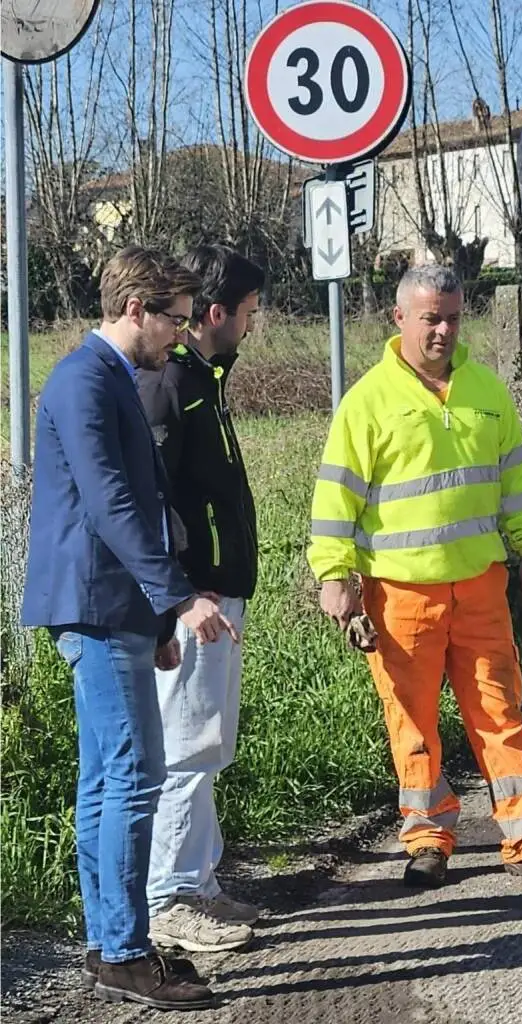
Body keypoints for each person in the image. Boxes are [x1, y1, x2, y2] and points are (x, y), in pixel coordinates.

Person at [307, 264, 522, 888]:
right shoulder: (368, 401)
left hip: (481, 586)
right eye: (431, 317)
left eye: (453, 316)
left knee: (500, 712)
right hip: (399, 593)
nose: (444, 329)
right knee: (413, 722)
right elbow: (335, 499)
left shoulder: (486, 390)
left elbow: (516, 480)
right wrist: (335, 576)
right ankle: (427, 839)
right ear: (399, 318)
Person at [21, 246, 239, 1010]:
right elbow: (112, 502)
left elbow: (133, 505)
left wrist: (157, 617)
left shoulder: (110, 377)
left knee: (105, 779)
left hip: (117, 607)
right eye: (174, 320)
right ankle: (124, 948)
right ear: (136, 309)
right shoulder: (84, 380)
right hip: (94, 602)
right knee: (136, 774)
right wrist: (178, 599)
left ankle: (108, 940)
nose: (181, 335)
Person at [137, 245, 264, 952]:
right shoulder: (171, 386)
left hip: (216, 593)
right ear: (214, 313)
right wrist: (182, 590)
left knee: (207, 742)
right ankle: (169, 899)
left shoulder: (203, 380)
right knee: (185, 746)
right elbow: (153, 499)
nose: (252, 325)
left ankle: (200, 884)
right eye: (246, 313)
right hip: (195, 599)